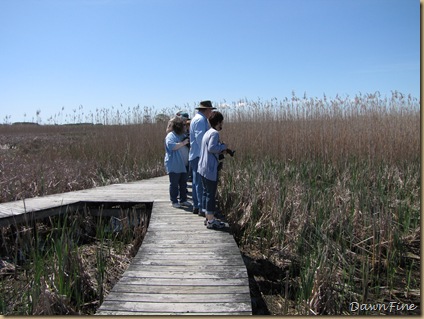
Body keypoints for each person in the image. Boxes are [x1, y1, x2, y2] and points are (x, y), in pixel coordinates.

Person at [198, 111, 229, 229]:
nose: (222, 124)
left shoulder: (207, 133)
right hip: (209, 169)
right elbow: (211, 148)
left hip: (202, 168)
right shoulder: (215, 133)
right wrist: (223, 146)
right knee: (210, 194)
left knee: (206, 193)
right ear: (218, 122)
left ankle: (208, 217)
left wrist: (220, 150)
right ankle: (211, 222)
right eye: (222, 122)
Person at [188, 100, 215, 216]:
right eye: (210, 110)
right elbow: (200, 139)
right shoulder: (200, 120)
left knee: (196, 182)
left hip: (195, 154)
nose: (211, 113)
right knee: (199, 182)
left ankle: (196, 205)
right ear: (206, 110)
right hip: (199, 155)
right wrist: (208, 150)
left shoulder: (197, 119)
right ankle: (200, 207)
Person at [164, 116, 191, 208]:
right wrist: (183, 143)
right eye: (183, 125)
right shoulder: (171, 136)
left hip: (184, 164)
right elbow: (171, 146)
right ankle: (174, 201)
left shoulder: (183, 135)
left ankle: (183, 200)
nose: (185, 127)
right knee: (174, 184)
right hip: (174, 164)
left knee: (183, 183)